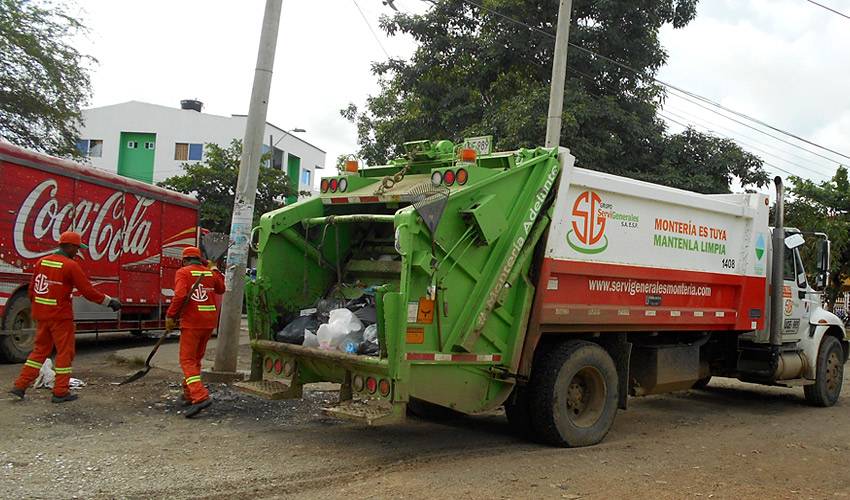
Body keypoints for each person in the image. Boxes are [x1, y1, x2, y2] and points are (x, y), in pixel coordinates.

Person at [8, 231, 122, 403]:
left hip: (42, 315)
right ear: (68, 246)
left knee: (39, 351)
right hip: (61, 317)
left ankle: (20, 386)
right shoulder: (70, 266)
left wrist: (40, 308)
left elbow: (32, 290)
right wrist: (109, 302)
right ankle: (60, 391)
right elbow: (87, 291)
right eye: (76, 248)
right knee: (65, 353)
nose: (77, 252)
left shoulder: (41, 262)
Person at [166, 246, 225, 418]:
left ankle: (200, 397)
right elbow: (221, 289)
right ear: (200, 259)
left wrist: (171, 316)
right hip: (208, 323)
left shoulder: (183, 272)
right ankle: (189, 393)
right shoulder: (209, 273)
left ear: (184, 260)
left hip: (192, 323)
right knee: (195, 359)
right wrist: (215, 269)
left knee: (187, 360)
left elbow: (179, 296)